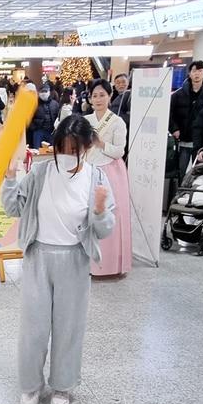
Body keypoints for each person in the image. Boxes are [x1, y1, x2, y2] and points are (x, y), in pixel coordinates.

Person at [2, 115, 116, 404]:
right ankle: (30, 385)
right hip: (39, 257)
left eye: (72, 150)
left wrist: (101, 210)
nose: (65, 156)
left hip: (74, 261)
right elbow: (13, 208)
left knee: (68, 327)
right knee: (33, 327)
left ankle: (63, 386)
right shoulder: (40, 173)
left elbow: (104, 230)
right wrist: (9, 179)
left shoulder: (97, 178)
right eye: (60, 149)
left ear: (87, 148)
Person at [85, 79, 131, 277]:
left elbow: (119, 151)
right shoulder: (86, 120)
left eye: (102, 95)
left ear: (109, 96)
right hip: (89, 170)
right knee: (88, 214)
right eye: (94, 95)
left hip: (112, 171)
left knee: (112, 214)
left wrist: (101, 144)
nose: (98, 99)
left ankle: (112, 264)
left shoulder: (117, 121)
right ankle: (89, 264)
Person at [169, 60, 203, 170]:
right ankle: (179, 187)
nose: (197, 74)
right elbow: (169, 113)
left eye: (200, 71)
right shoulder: (178, 94)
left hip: (202, 142)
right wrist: (174, 128)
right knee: (180, 170)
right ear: (190, 73)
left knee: (199, 171)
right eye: (194, 71)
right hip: (183, 140)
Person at [29, 83, 61, 148]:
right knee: (37, 150)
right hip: (38, 131)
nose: (43, 93)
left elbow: (58, 117)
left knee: (51, 151)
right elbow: (29, 118)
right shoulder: (34, 104)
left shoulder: (55, 104)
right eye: (42, 91)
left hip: (51, 131)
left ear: (49, 92)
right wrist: (34, 127)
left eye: (45, 91)